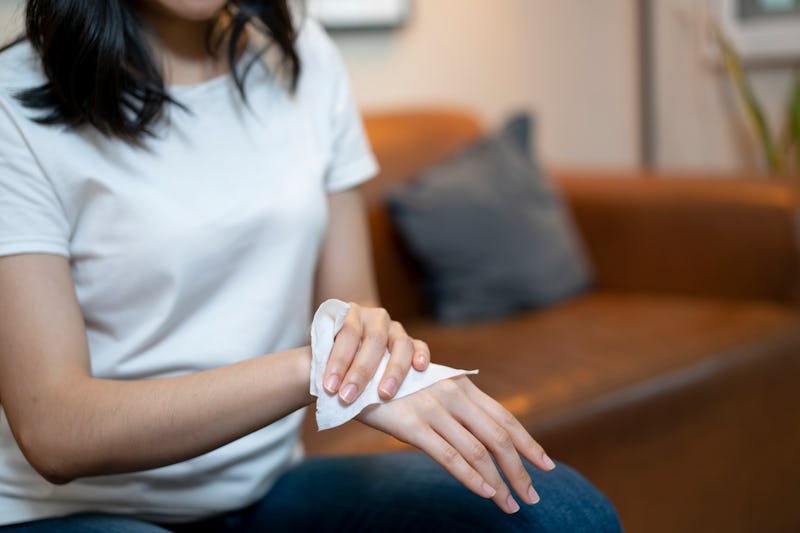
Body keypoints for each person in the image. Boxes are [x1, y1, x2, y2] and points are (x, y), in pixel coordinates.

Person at [0, 1, 622, 531]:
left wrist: (374, 358)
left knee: (563, 514)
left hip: (262, 488)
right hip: (69, 511)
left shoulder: (300, 54)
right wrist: (314, 369)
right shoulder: (13, 105)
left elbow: (351, 308)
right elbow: (56, 431)